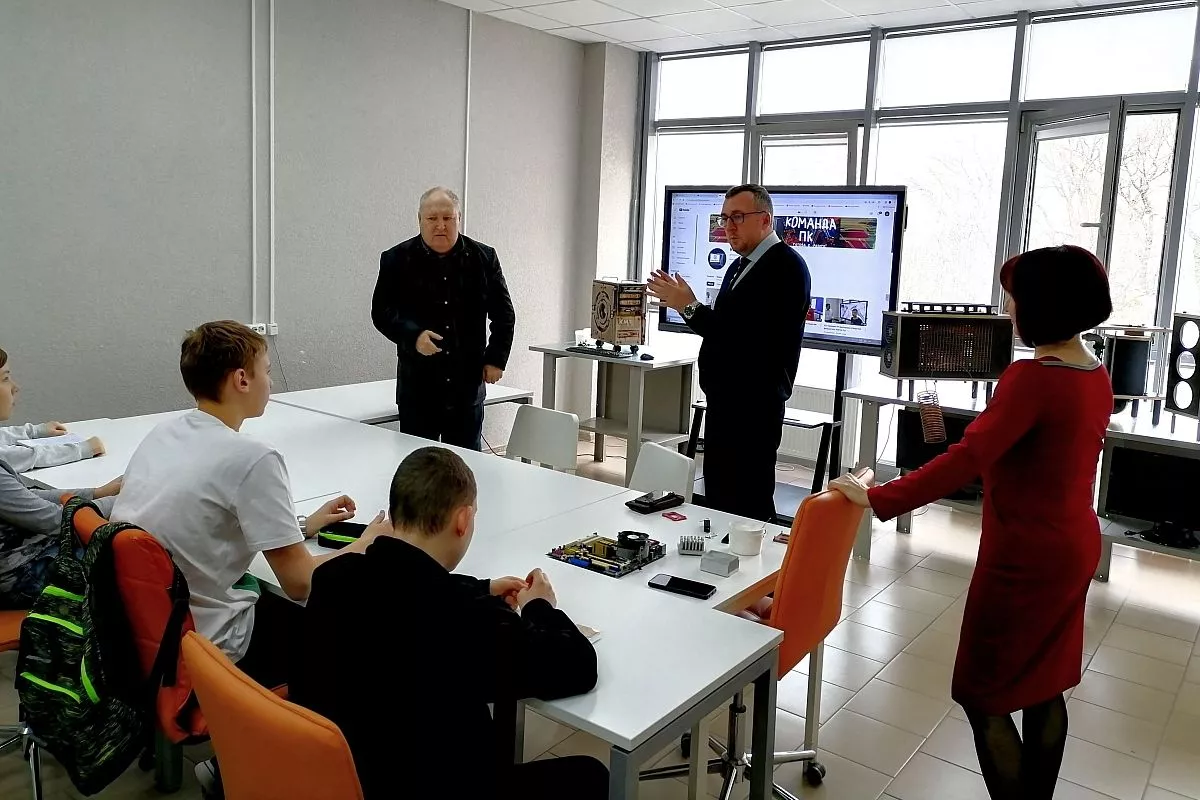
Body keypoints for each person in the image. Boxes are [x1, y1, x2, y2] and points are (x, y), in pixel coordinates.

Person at [828, 245, 1114, 800]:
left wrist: (879, 496)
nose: (1008, 309)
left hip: (1025, 556)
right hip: (1073, 544)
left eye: (1014, 298)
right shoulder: (1093, 371)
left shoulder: (1032, 378)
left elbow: (968, 459)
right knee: (1044, 685)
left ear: (1041, 304)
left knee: (981, 694)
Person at [292, 446, 606, 800]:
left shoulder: (334, 577)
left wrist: (483, 588)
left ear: (394, 514)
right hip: (434, 783)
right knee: (591, 775)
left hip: (344, 776)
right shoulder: (465, 621)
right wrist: (539, 607)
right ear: (463, 520)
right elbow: (578, 667)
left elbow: (408, 582)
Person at [111, 322, 389, 690]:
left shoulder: (163, 434)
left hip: (142, 637)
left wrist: (299, 526)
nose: (270, 383)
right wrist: (367, 543)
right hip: (207, 645)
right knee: (351, 632)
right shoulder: (253, 458)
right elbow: (301, 583)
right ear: (242, 379)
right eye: (267, 372)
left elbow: (203, 518)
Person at [648, 184, 811, 522]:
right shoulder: (739, 266)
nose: (728, 226)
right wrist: (688, 306)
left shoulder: (786, 268)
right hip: (726, 403)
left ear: (765, 220)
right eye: (724, 218)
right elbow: (723, 328)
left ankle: (755, 555)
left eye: (737, 217)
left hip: (753, 407)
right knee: (720, 495)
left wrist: (689, 306)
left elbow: (743, 337)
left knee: (747, 502)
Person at [372, 187, 516, 451]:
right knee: (419, 463)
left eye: (448, 218)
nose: (440, 225)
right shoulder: (396, 259)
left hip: (466, 388)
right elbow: (381, 312)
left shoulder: (484, 258)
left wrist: (495, 358)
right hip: (418, 387)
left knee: (465, 464)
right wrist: (413, 336)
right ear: (420, 220)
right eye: (432, 218)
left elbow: (504, 314)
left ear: (459, 218)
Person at [0, 347, 120, 608]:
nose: (15, 387)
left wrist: (97, 493)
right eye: (6, 378)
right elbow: (55, 522)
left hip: (17, 557)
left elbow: (27, 497)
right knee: (125, 555)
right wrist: (120, 502)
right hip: (17, 576)